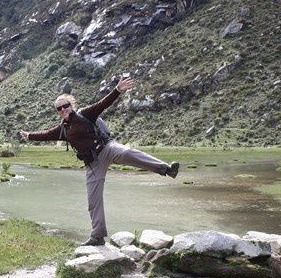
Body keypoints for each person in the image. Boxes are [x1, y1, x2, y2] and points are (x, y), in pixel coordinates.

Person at [19, 76, 179, 246]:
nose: (63, 109)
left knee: (128, 152)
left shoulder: (85, 114)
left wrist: (117, 89)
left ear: (71, 105)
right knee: (93, 200)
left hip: (107, 148)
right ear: (58, 111)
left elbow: (103, 103)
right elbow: (45, 135)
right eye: (59, 108)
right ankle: (97, 236)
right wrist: (29, 135)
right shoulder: (63, 130)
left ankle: (167, 169)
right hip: (93, 165)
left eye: (66, 105)